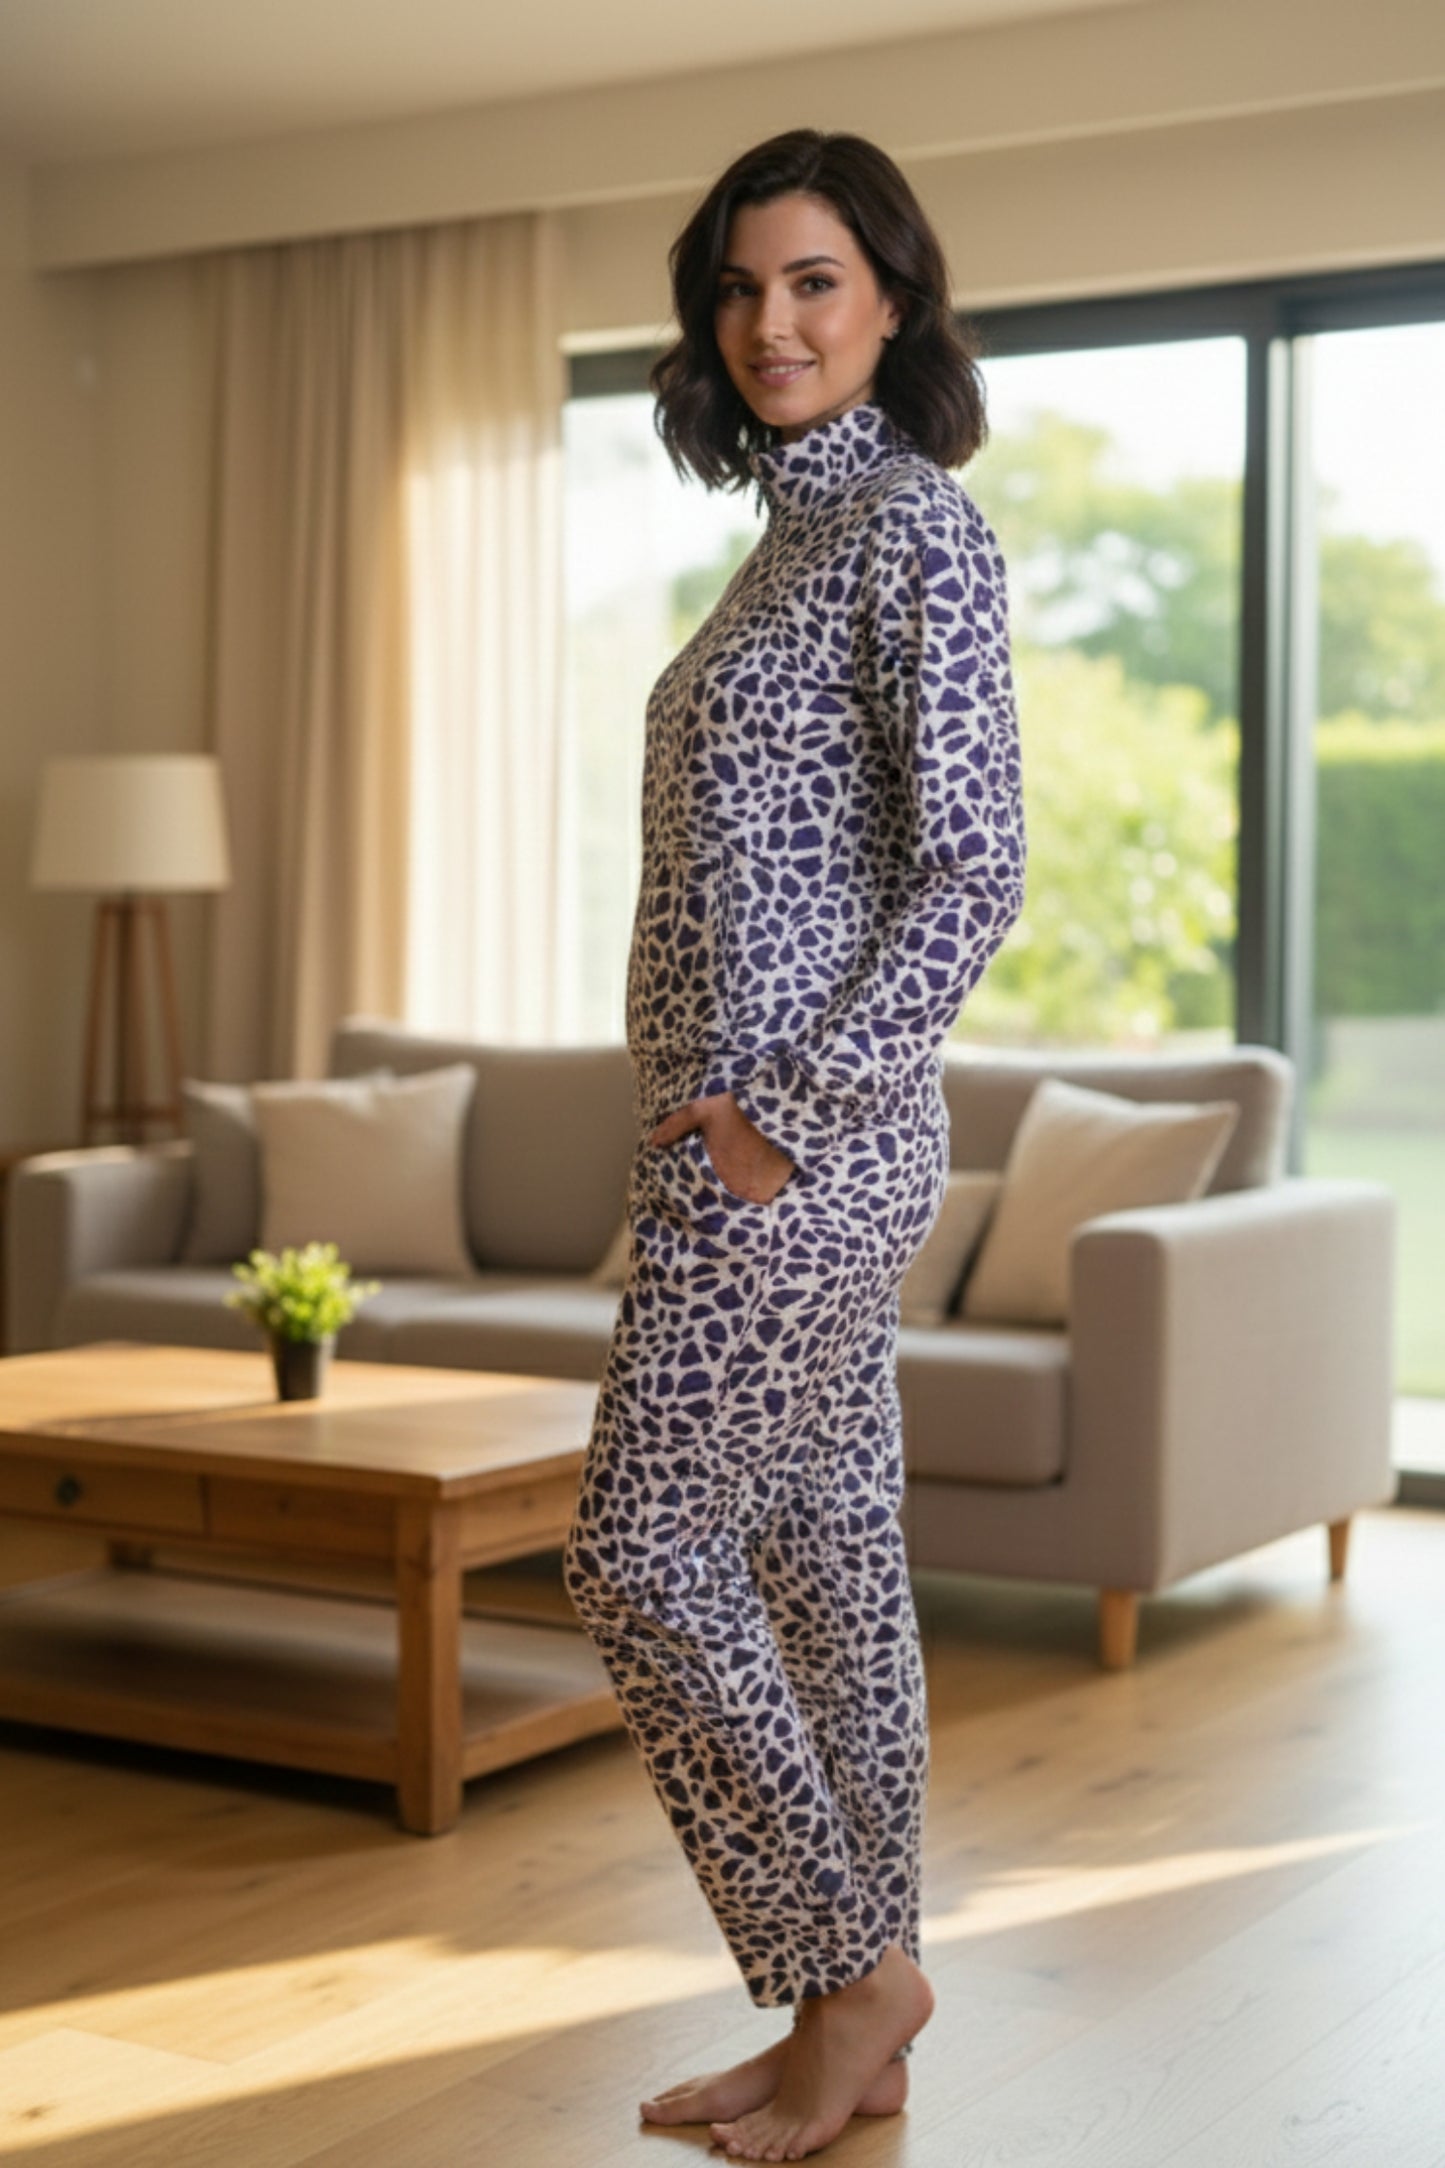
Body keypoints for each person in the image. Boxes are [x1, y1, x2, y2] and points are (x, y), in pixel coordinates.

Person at [562, 126, 1027, 2162]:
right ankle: (867, 2044)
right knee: (830, 1569)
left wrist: (779, 1115)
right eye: (745, 287)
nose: (774, 320)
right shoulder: (788, 546)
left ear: (893, 300)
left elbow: (975, 866)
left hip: (793, 1159)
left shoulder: (916, 525)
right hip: (756, 1154)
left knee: (635, 1547)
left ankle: (850, 1964)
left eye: (816, 281)